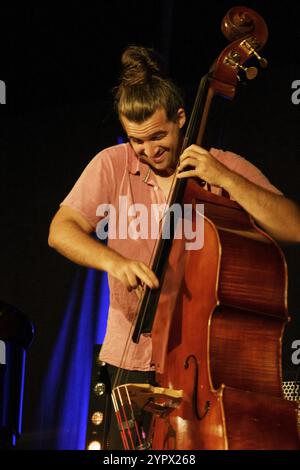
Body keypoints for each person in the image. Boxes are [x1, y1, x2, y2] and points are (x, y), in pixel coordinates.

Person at [48, 45, 300, 449]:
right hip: (129, 359)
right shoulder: (113, 164)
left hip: (204, 368)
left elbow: (294, 226)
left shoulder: (222, 166)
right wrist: (114, 261)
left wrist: (226, 179)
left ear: (181, 117)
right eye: (137, 141)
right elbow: (62, 230)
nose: (148, 152)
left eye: (158, 137)